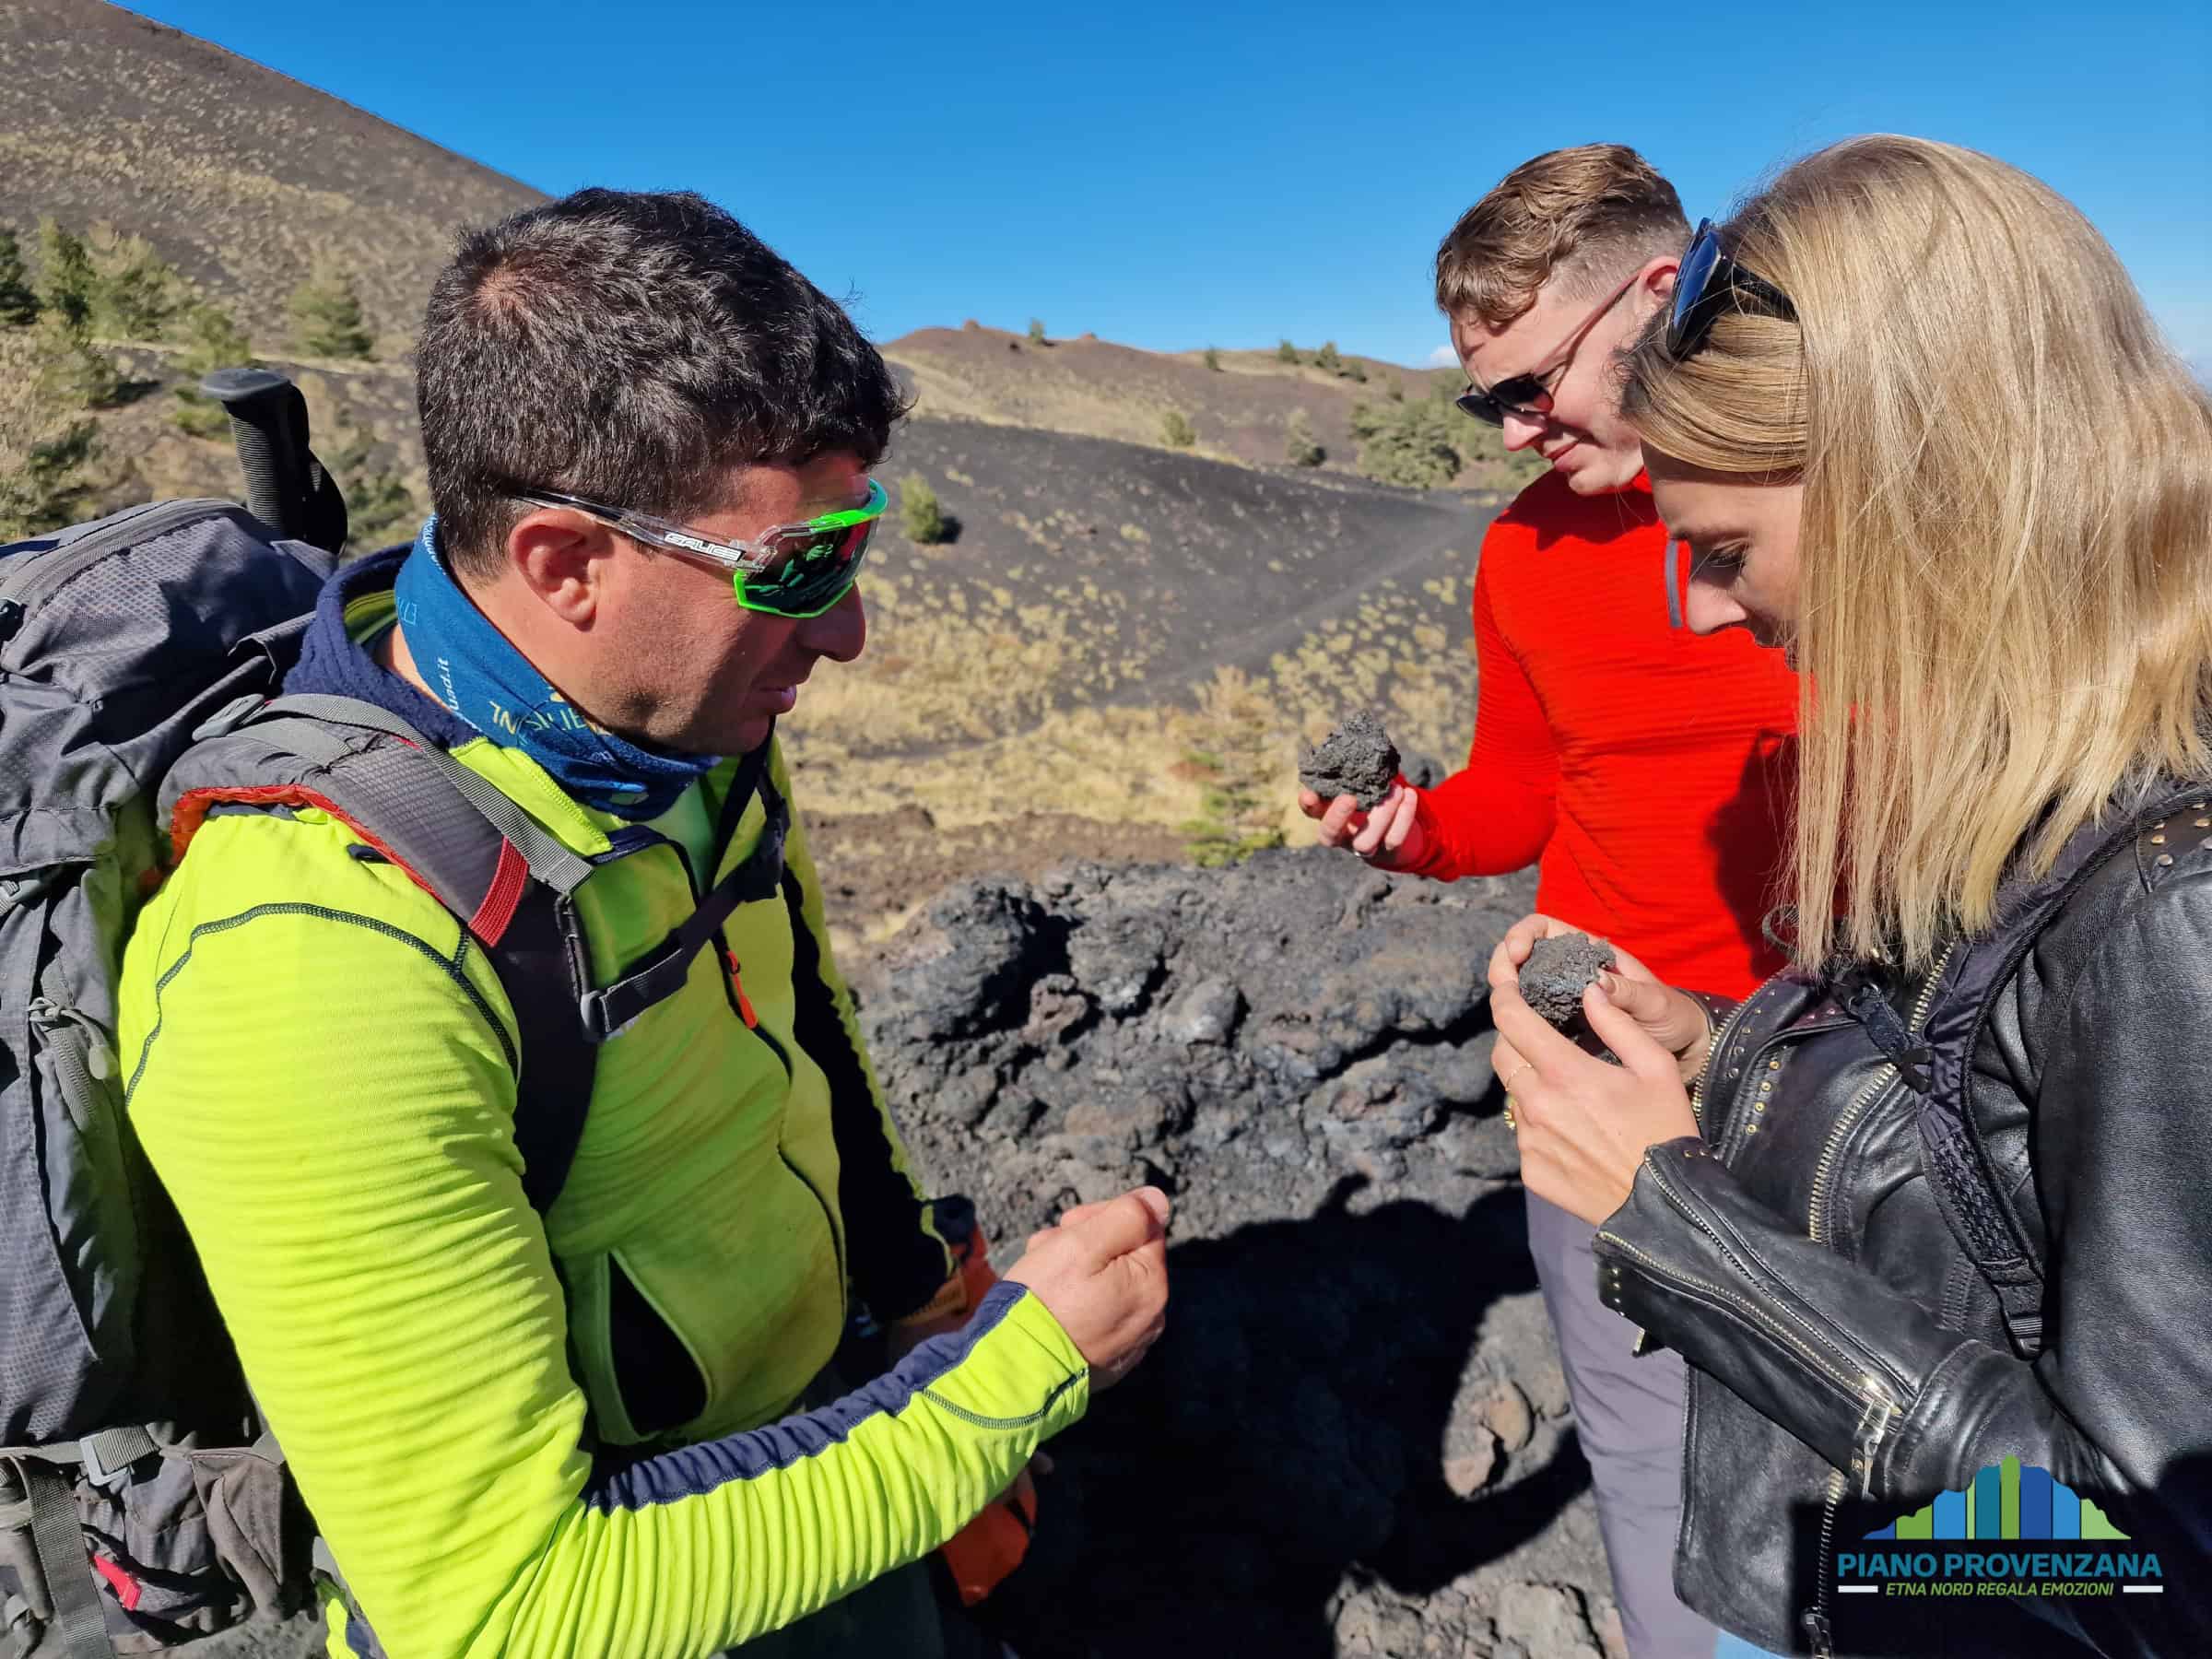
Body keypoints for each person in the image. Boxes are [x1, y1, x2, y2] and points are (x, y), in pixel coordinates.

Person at [117, 188, 1170, 1658]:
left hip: (845, 1441)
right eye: (801, 568)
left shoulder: (680, 731)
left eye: (854, 547)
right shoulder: (311, 961)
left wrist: (921, 1306)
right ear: (566, 563)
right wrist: (1009, 1383)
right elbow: (499, 1607)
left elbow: (799, 1022)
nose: (849, 631)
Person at [1487, 135, 2212, 1658]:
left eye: (1727, 550)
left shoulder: (2171, 900)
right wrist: (1727, 1055)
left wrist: (1678, 1224)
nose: (1702, 608)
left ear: (1926, 482)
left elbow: (2148, 1577)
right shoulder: (2036, 786)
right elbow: (1991, 1161)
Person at [1300, 145, 1798, 1656]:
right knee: (1646, 1443)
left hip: (1836, 1066)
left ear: (1661, 296)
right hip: (1593, 1064)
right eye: (1483, 400)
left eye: (1533, 382)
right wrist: (1412, 830)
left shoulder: (1832, 506)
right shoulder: (1525, 551)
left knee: (1873, 1452)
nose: (1514, 427)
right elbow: (1526, 795)